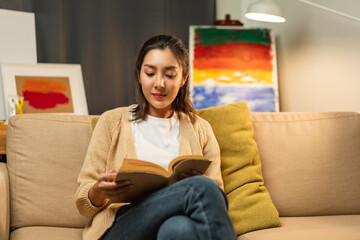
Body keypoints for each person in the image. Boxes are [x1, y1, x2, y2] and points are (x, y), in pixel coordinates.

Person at [75, 34, 237, 240]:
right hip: (121, 228)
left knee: (179, 229)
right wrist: (100, 190)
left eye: (170, 75)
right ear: (139, 75)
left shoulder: (200, 129)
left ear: (184, 78)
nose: (159, 83)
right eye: (150, 73)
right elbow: (82, 203)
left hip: (171, 225)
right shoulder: (111, 122)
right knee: (202, 188)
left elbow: (216, 200)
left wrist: (193, 181)